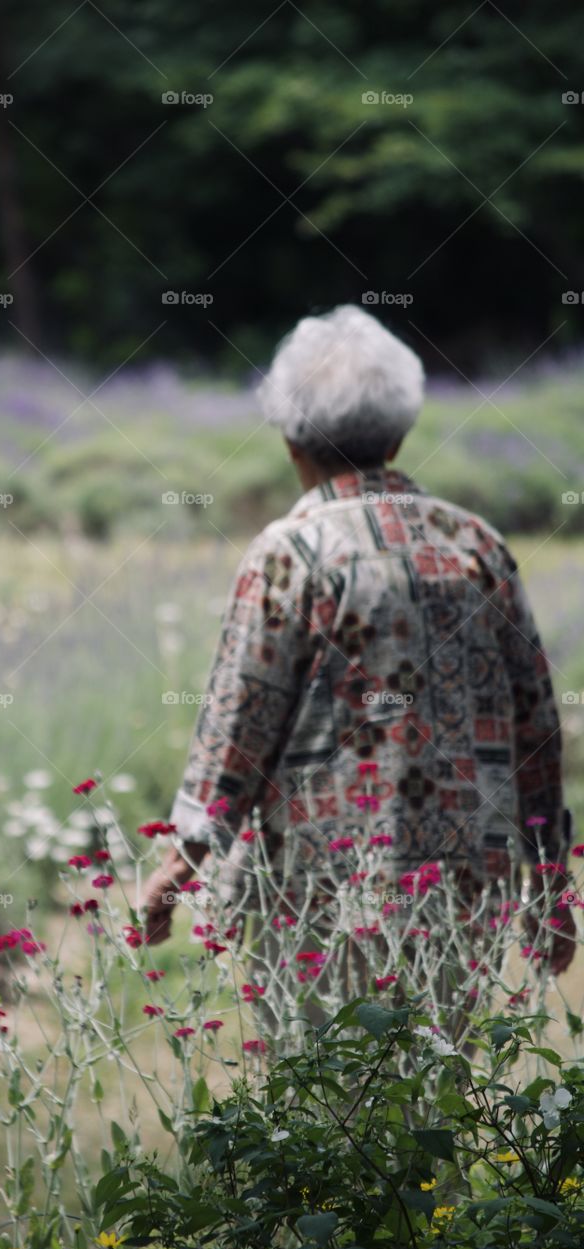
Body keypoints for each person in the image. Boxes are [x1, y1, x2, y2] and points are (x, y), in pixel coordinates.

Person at [140, 304, 574, 978]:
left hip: (322, 897)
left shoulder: (292, 553)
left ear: (291, 441)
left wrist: (180, 862)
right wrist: (548, 882)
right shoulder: (477, 545)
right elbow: (536, 722)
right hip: (462, 893)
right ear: (399, 438)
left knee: (324, 1075)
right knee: (442, 1078)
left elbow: (242, 719)